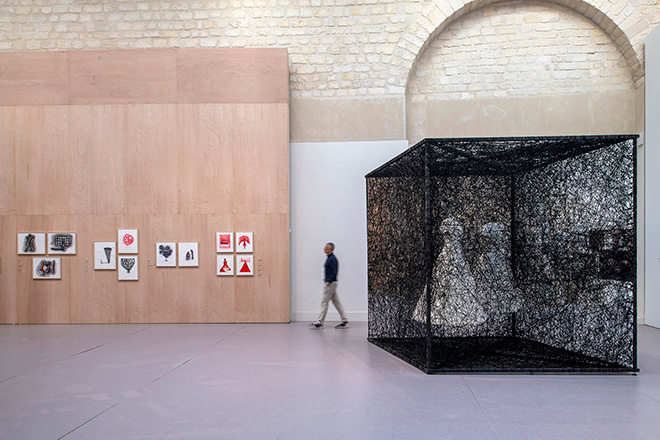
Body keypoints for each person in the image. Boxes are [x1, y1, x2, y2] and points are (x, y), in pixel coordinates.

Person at [309, 242, 349, 329]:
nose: (324, 249)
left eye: (326, 248)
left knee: (324, 302)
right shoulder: (330, 258)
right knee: (337, 303)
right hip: (332, 283)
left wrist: (328, 281)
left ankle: (320, 322)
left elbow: (334, 272)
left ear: (330, 249)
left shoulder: (332, 259)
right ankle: (345, 320)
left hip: (330, 284)